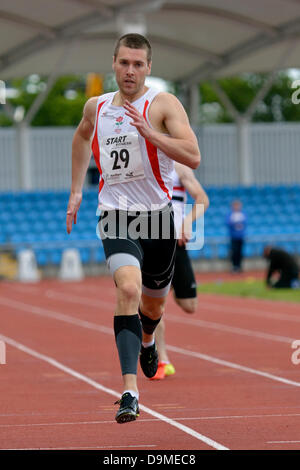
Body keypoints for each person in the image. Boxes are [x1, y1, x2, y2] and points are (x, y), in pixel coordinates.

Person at [66, 33, 201, 424]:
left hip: (158, 217)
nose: (130, 70)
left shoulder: (163, 104)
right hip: (115, 213)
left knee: (154, 306)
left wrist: (151, 133)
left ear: (148, 68)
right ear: (113, 63)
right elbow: (80, 135)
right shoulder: (98, 106)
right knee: (127, 288)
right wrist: (76, 190)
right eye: (124, 62)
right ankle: (129, 391)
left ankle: (147, 341)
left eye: (138, 64)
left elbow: (192, 153)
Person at [151, 161, 209, 380]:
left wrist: (186, 222)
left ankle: (166, 288)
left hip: (176, 242)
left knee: (189, 305)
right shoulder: (143, 161)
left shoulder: (179, 166)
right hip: (150, 238)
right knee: (155, 304)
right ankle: (161, 359)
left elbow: (202, 199)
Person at [226, 200, 247, 273]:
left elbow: (245, 222)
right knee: (234, 252)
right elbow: (228, 223)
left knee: (240, 252)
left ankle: (239, 266)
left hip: (241, 236)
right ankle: (234, 266)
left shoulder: (242, 214)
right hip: (233, 237)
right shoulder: (230, 214)